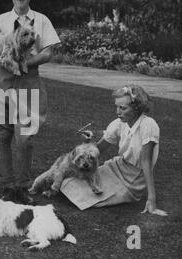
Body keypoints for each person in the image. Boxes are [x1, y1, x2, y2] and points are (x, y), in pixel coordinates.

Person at [0, 0, 61, 204]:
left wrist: (25, 64)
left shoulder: (41, 20)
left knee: (25, 138)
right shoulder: (1, 20)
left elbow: (48, 52)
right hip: (0, 84)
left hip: (28, 86)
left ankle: (23, 186)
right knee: (2, 135)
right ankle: (7, 186)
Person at [61, 85, 168, 216]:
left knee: (84, 196)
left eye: (123, 108)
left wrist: (151, 199)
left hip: (133, 179)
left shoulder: (148, 125)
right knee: (67, 183)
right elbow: (98, 149)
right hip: (117, 166)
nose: (118, 111)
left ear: (136, 108)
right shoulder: (119, 123)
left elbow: (146, 162)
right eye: (117, 106)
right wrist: (88, 142)